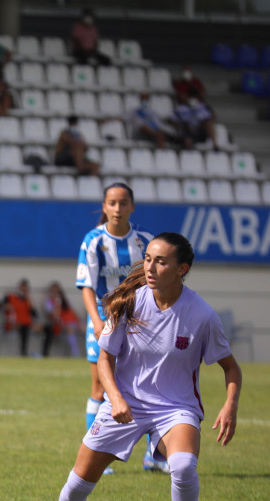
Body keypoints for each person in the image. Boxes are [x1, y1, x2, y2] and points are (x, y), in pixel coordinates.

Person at [34, 232, 241, 501]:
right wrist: (115, 398)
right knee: (79, 480)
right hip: (126, 402)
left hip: (176, 408)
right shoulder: (129, 302)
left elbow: (231, 368)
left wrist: (230, 404)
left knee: (184, 466)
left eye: (161, 261)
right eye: (147, 258)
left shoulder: (202, 315)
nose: (150, 266)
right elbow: (104, 359)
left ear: (181, 268)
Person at [76, 182, 167, 474]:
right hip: (104, 316)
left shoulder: (145, 240)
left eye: (123, 203)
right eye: (112, 203)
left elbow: (156, 283)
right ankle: (97, 456)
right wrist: (98, 321)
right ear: (104, 207)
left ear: (132, 206)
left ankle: (155, 456)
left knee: (152, 383)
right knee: (100, 385)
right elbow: (87, 286)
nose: (117, 208)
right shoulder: (92, 241)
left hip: (139, 318)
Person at [42, 281, 83, 358]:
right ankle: (76, 355)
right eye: (53, 291)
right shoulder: (49, 301)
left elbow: (73, 312)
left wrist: (79, 322)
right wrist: (57, 304)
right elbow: (55, 316)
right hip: (61, 325)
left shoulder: (65, 301)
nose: (56, 293)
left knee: (86, 329)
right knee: (70, 330)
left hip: (72, 322)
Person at [1, 279, 39, 357]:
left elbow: (35, 314)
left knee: (47, 328)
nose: (24, 290)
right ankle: (23, 353)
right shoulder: (11, 296)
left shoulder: (27, 300)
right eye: (23, 287)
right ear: (19, 287)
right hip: (12, 324)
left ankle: (44, 354)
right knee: (24, 328)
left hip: (27, 323)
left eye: (26, 288)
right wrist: (6, 306)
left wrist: (30, 300)